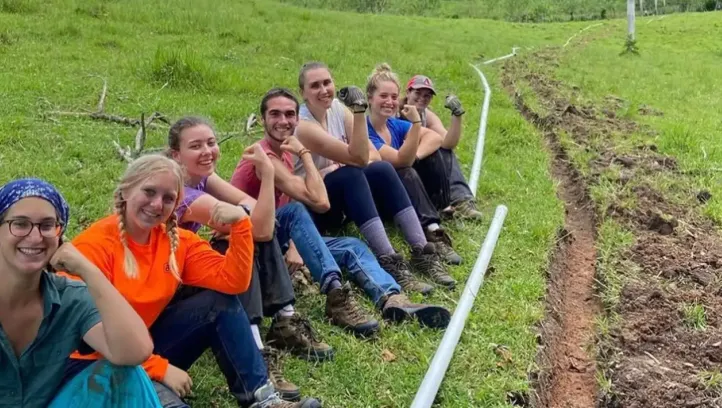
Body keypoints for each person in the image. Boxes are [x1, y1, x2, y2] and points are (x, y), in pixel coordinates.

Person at [59, 156, 321, 408]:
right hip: (90, 361)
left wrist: (241, 225)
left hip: (142, 348)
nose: (156, 204)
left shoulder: (177, 242)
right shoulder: (95, 246)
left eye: (168, 198)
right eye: (149, 192)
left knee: (218, 303)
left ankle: (263, 400)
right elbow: (84, 332)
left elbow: (233, 283)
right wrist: (158, 368)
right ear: (126, 191)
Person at [231, 88, 451, 331]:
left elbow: (320, 200)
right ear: (262, 119)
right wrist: (305, 153)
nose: (283, 121)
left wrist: (302, 154)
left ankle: (392, 298)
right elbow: (315, 202)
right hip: (255, 243)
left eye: (289, 114)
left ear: (297, 118)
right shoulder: (263, 156)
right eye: (275, 114)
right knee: (299, 213)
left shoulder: (286, 150)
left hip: (280, 230)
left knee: (353, 246)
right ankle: (336, 295)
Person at [167, 116, 333, 399]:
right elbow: (261, 227)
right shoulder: (183, 193)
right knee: (251, 236)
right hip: (176, 288)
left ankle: (286, 320)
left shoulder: (203, 177)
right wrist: (267, 175)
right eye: (195, 146)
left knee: (284, 216)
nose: (207, 151)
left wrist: (246, 220)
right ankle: (256, 347)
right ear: (176, 155)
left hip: (192, 265)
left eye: (211, 142)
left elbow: (258, 214)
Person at [291, 61, 456, 289]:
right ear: (303, 93)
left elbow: (373, 156)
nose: (323, 90)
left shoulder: (338, 109)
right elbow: (358, 159)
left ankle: (421, 251)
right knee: (351, 174)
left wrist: (339, 163)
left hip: (336, 193)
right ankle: (389, 260)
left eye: (327, 82)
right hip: (313, 206)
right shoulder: (303, 125)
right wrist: (358, 114)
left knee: (382, 169)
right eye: (315, 86)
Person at [0, 178, 160, 408]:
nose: (35, 237)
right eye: (20, 224)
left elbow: (135, 352)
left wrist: (90, 272)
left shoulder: (69, 299)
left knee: (124, 373)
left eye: (47, 226)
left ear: (60, 235)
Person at [365, 63, 462, 265]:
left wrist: (417, 154)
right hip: (381, 203)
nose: (389, 102)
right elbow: (401, 161)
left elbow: (435, 138)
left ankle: (437, 215)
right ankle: (431, 229)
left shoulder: (393, 124)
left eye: (393, 97)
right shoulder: (365, 131)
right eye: (383, 96)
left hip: (404, 196)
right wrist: (417, 124)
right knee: (405, 170)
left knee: (432, 155)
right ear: (369, 98)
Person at [401, 74, 483, 220]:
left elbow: (447, 143)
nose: (422, 98)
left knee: (445, 152)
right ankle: (438, 206)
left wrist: (457, 116)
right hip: (402, 168)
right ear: (408, 92)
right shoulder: (397, 113)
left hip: (421, 165)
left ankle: (460, 201)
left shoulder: (427, 115)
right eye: (418, 93)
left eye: (427, 96)